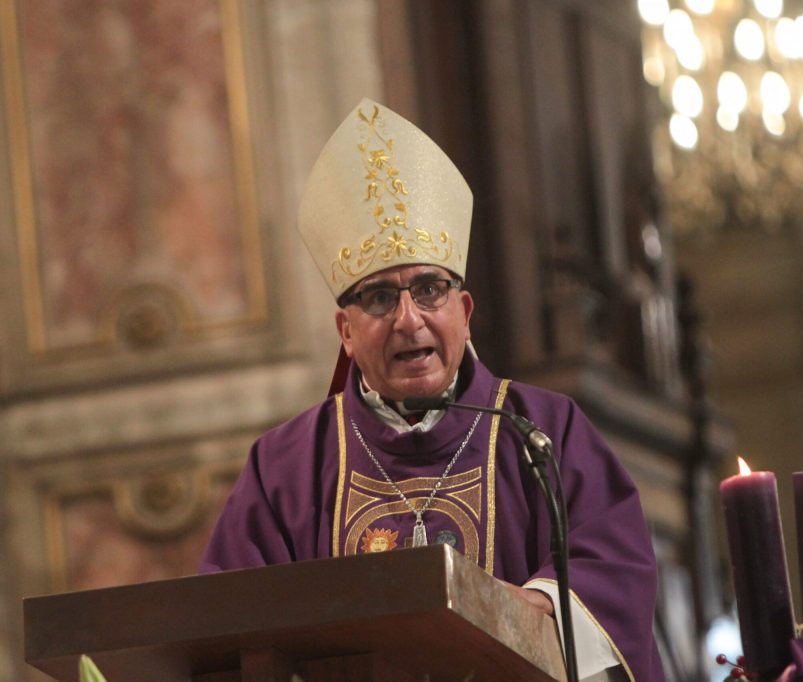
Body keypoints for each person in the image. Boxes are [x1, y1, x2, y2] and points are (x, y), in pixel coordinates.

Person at [200, 98, 663, 681]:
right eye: (378, 298)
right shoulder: (285, 468)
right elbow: (226, 622)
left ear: (464, 312)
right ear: (345, 332)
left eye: (429, 289)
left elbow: (613, 563)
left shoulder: (542, 431)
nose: (409, 320)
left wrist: (535, 607)